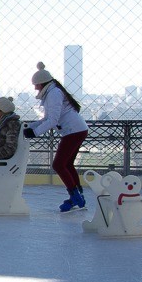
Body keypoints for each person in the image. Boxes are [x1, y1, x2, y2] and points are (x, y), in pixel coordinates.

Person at [24, 62, 89, 212]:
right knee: (67, 164)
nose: (35, 88)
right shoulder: (53, 92)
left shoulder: (53, 94)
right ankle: (78, 195)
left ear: (42, 84)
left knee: (59, 165)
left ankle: (76, 197)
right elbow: (47, 119)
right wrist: (30, 127)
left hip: (73, 131)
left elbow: (52, 120)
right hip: (76, 129)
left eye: (36, 85)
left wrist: (34, 132)